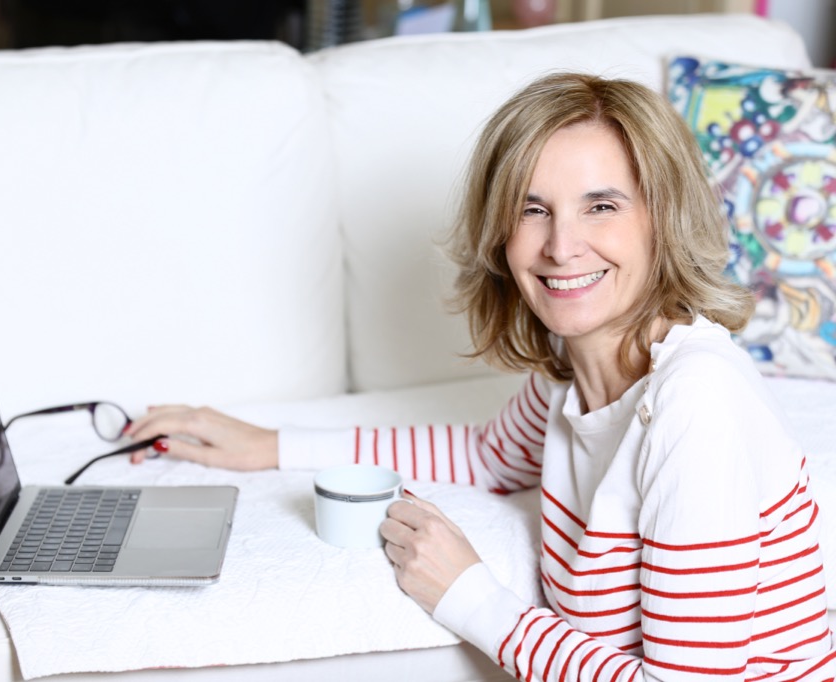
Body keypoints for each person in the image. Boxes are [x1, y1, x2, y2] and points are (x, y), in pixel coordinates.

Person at [126, 72, 836, 679]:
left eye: (602, 206)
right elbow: (486, 457)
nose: (561, 246)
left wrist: (470, 597)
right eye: (533, 209)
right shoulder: (571, 364)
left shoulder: (697, 401)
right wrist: (268, 445)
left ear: (662, 221)